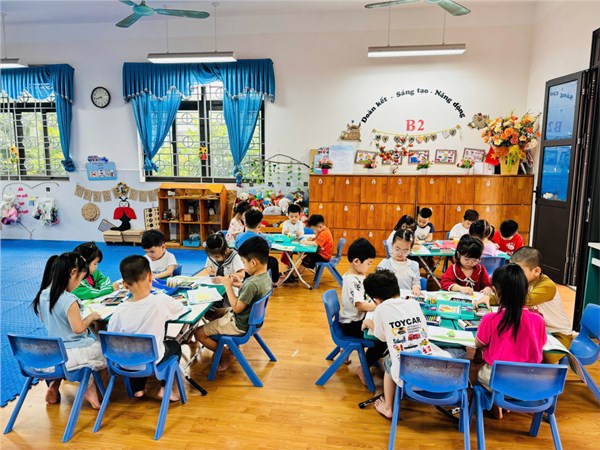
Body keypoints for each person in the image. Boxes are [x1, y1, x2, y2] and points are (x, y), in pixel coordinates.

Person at [361, 270, 454, 419]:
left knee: (389, 364)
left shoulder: (381, 309)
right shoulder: (413, 303)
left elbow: (382, 337)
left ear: (376, 299)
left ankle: (388, 408)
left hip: (407, 377)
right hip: (435, 371)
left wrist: (369, 323)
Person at [31, 252, 106, 408]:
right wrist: (91, 317)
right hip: (74, 353)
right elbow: (78, 329)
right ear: (73, 273)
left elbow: (44, 319)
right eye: (80, 279)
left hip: (53, 354)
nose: (79, 284)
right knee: (106, 352)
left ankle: (54, 386)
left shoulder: (43, 294)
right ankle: (90, 387)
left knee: (66, 362)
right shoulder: (69, 300)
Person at [107, 255, 186, 400]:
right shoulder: (160, 301)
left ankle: (138, 389)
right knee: (174, 346)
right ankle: (165, 388)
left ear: (125, 285)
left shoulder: (119, 310)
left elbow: (112, 335)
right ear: (150, 277)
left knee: (135, 348)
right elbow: (180, 308)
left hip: (125, 362)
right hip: (151, 360)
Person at [475, 264, 547, 417]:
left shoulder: (490, 319)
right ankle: (503, 403)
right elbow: (541, 344)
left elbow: (479, 343)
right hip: (530, 382)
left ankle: (496, 404)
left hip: (497, 380)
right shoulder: (538, 320)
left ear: (496, 291)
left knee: (477, 374)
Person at [195, 237, 273, 372]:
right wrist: (239, 285)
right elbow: (253, 293)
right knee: (213, 313)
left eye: (243, 262)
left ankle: (227, 354)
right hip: (251, 320)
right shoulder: (265, 278)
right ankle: (223, 345)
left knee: (199, 333)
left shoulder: (251, 284)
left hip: (240, 323)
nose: (243, 265)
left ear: (253, 262)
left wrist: (228, 286)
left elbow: (237, 308)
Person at [511, 247, 573, 363]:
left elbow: (521, 299)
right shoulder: (524, 281)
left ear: (536, 271)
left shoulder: (547, 286)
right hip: (537, 330)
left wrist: (498, 294)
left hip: (558, 334)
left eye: (519, 272)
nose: (514, 275)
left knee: (540, 358)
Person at [338, 238, 387, 385]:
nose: (369, 266)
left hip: (351, 320)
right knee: (382, 339)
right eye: (369, 263)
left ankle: (345, 351)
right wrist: (380, 306)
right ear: (356, 261)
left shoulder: (355, 276)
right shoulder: (352, 281)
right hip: (352, 324)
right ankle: (364, 367)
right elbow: (360, 305)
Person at [199, 232, 245, 307]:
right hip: (216, 288)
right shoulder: (212, 255)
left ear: (226, 250)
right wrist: (209, 269)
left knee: (221, 304)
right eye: (211, 256)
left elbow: (242, 274)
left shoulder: (234, 256)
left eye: (217, 257)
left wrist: (224, 279)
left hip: (231, 290)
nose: (214, 259)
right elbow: (207, 267)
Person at [234, 208, 280, 282]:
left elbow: (236, 246)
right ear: (259, 224)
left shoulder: (239, 236)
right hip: (258, 265)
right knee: (273, 261)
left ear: (245, 223)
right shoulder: (262, 238)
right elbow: (268, 247)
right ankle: (274, 282)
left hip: (244, 263)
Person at [377, 230, 421, 295]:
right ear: (392, 245)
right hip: (389, 297)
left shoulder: (414, 265)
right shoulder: (384, 264)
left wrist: (416, 288)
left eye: (405, 251)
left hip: (407, 298)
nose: (400, 253)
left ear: (410, 250)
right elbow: (377, 285)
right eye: (397, 249)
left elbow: (416, 283)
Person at [296, 214, 334, 279]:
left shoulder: (324, 233)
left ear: (320, 227)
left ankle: (295, 274)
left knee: (307, 259)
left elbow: (316, 243)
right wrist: (312, 238)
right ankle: (296, 272)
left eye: (314, 230)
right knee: (308, 257)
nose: (314, 231)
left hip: (323, 256)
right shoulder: (323, 231)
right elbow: (317, 239)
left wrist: (305, 242)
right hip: (322, 254)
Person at [280, 203, 305, 268]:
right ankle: (289, 265)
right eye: (291, 217)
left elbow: (302, 232)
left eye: (296, 217)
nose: (294, 218)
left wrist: (300, 233)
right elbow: (283, 233)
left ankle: (292, 265)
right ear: (288, 216)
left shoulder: (300, 223)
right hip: (289, 242)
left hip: (297, 242)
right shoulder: (286, 223)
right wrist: (285, 232)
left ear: (299, 216)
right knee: (288, 251)